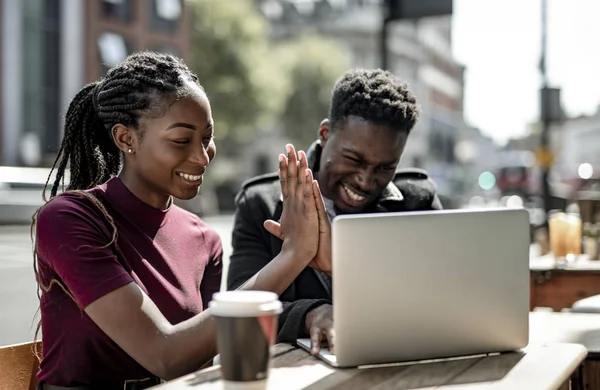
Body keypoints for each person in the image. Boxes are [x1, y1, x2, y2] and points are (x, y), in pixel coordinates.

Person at [33, 51, 322, 390]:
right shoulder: (70, 218)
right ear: (126, 138)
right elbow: (166, 356)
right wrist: (293, 255)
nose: (202, 157)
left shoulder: (204, 239)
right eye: (182, 140)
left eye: (207, 138)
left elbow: (195, 368)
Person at [227, 68, 443, 354]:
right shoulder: (261, 205)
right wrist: (310, 314)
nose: (366, 181)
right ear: (325, 133)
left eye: (385, 167)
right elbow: (240, 307)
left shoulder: (417, 202)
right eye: (354, 159)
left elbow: (439, 299)